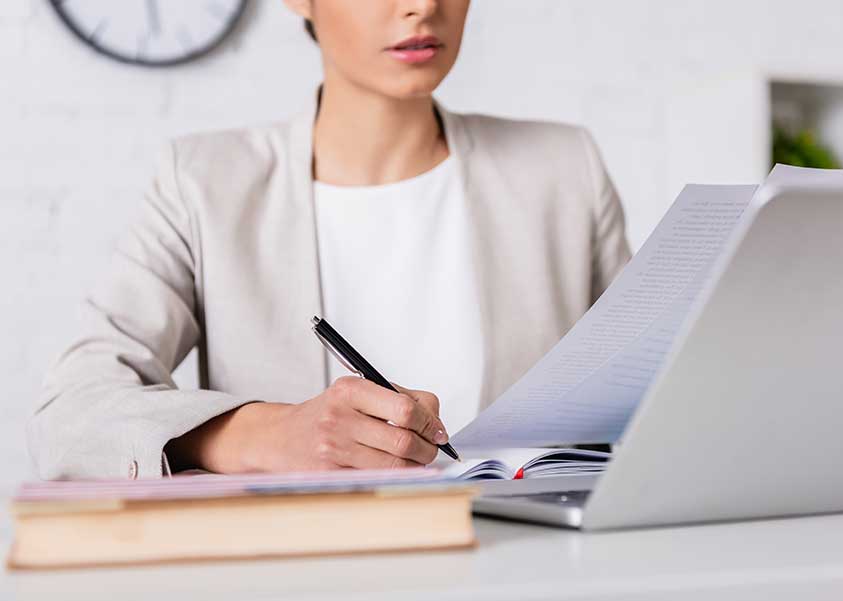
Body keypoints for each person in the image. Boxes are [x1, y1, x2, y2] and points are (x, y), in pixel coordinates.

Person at [28, 0, 631, 480]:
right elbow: (69, 416)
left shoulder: (563, 168)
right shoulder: (205, 184)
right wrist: (263, 433)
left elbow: (652, 396)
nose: (422, 6)